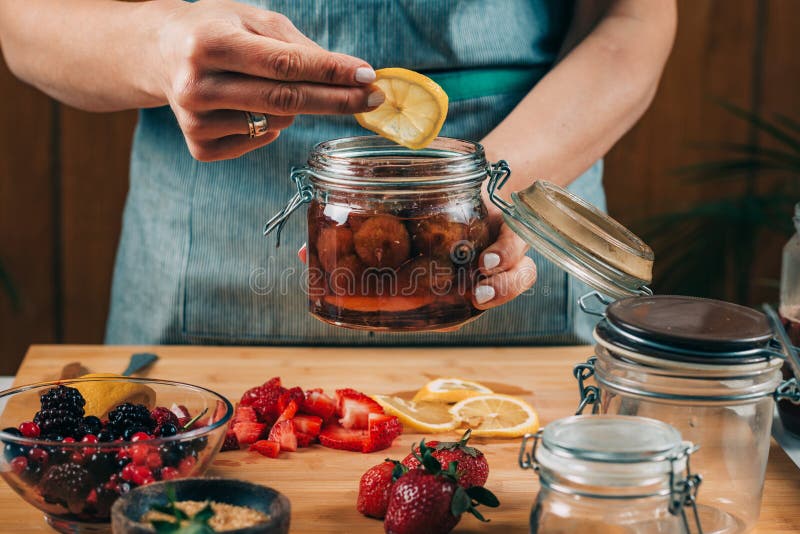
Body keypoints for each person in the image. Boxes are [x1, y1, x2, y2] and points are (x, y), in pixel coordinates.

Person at [0, 0, 676, 345]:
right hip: (206, 261)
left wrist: (483, 188)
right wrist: (159, 47)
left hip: (514, 211)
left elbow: (633, 18)